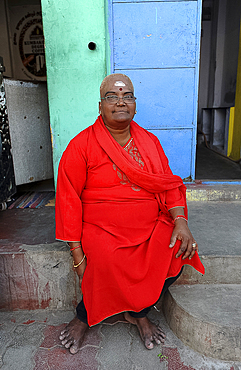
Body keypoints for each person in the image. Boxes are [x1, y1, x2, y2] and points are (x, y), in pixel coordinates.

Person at [56, 73, 205, 354]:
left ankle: (137, 312)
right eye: (112, 97)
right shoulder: (81, 145)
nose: (120, 102)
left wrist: (181, 221)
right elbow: (68, 198)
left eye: (127, 97)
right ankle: (84, 316)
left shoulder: (149, 142)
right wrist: (77, 254)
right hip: (101, 227)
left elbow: (168, 183)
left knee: (179, 248)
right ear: (100, 106)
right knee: (105, 257)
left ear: (135, 105)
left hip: (148, 224)